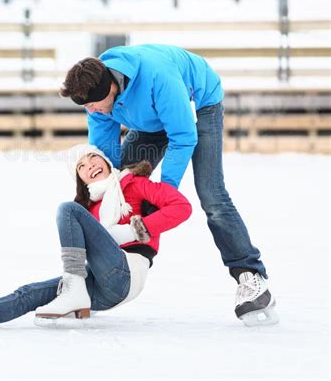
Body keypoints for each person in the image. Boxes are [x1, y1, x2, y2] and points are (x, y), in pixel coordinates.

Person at [59, 44, 278, 326]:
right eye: (86, 107)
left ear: (111, 88)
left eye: (92, 105)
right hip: (153, 118)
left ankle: (251, 275)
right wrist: (107, 186)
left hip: (199, 104)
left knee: (212, 195)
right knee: (122, 184)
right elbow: (106, 160)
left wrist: (166, 192)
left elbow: (183, 136)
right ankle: (108, 268)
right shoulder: (94, 92)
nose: (91, 111)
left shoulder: (157, 77)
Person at [0, 144, 192, 330]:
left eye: (92, 157)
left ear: (105, 160)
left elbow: (182, 207)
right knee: (30, 292)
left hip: (128, 272)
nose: (89, 164)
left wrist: (134, 230)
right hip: (105, 291)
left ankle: (73, 290)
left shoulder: (135, 184)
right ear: (81, 180)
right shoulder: (89, 211)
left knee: (67, 210)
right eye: (81, 166)